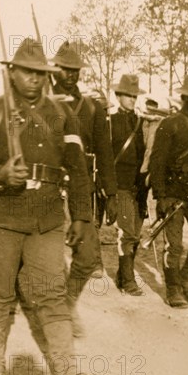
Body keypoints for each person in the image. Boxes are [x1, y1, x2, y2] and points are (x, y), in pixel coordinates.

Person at [0, 37, 100, 375]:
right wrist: (0, 174)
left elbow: (79, 169)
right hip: (2, 215)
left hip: (48, 216)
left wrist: (82, 216)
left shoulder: (62, 114)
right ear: (12, 72)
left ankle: (65, 373)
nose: (35, 79)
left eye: (40, 73)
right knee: (0, 293)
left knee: (52, 293)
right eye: (27, 72)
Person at [50, 41, 118, 335]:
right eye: (65, 69)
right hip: (49, 185)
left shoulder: (92, 107)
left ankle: (66, 304)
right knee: (47, 253)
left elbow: (105, 153)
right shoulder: (43, 103)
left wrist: (111, 194)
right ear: (54, 70)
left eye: (74, 70)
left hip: (81, 185)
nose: (70, 75)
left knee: (88, 255)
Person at [149, 74, 188, 308]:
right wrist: (160, 196)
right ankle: (173, 289)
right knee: (174, 246)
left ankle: (185, 278)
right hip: (173, 194)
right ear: (183, 98)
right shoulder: (169, 123)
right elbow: (156, 162)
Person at [110, 75, 147, 295]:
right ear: (118, 96)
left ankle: (123, 276)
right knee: (127, 234)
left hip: (138, 186)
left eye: (134, 96)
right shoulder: (110, 122)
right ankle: (129, 281)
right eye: (128, 95)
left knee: (136, 233)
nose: (132, 99)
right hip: (120, 184)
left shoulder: (141, 122)